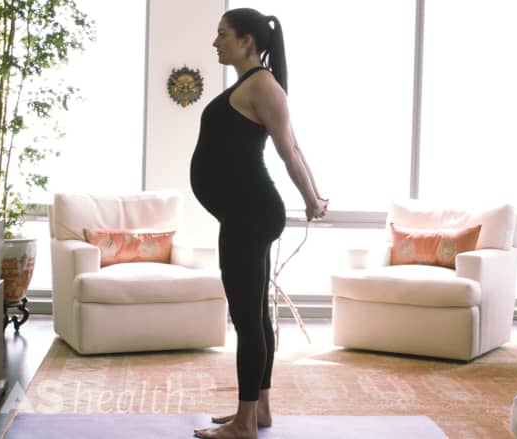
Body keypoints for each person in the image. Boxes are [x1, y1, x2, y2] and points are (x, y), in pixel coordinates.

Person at [189, 7, 328, 439]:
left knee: (246, 318)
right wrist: (312, 195)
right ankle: (259, 410)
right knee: (255, 317)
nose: (216, 42)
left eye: (222, 34)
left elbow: (290, 149)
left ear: (247, 40)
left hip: (250, 213)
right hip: (244, 212)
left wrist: (311, 199)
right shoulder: (250, 85)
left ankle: (244, 422)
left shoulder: (262, 85)